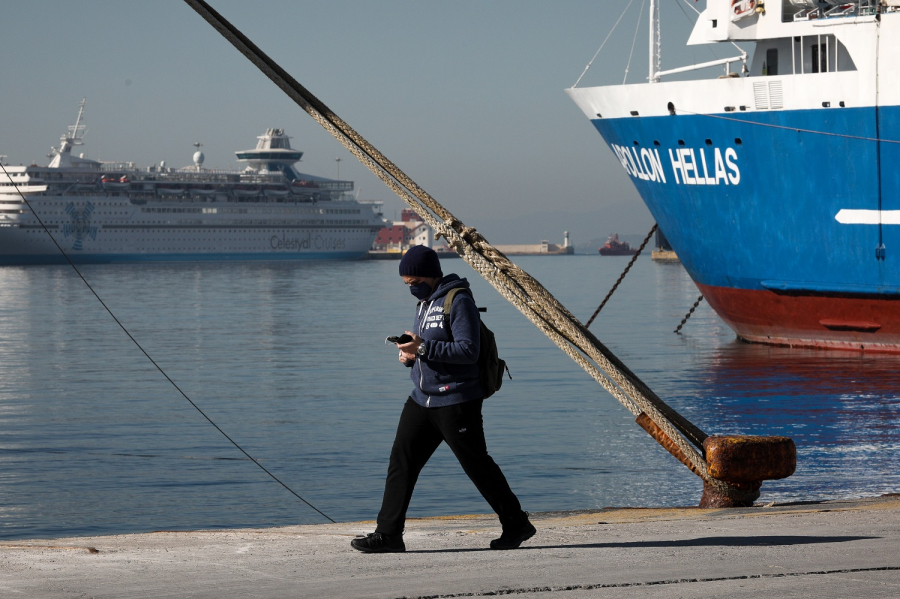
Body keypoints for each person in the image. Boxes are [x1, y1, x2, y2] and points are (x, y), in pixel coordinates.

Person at [351, 244, 535, 553]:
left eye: (413, 283)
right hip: (422, 399)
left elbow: (468, 351)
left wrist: (422, 349)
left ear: (428, 275)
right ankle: (388, 535)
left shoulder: (458, 300)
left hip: (456, 401)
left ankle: (516, 523)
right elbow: (427, 345)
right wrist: (409, 355)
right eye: (407, 284)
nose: (411, 289)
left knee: (476, 465)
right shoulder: (424, 302)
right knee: (402, 462)